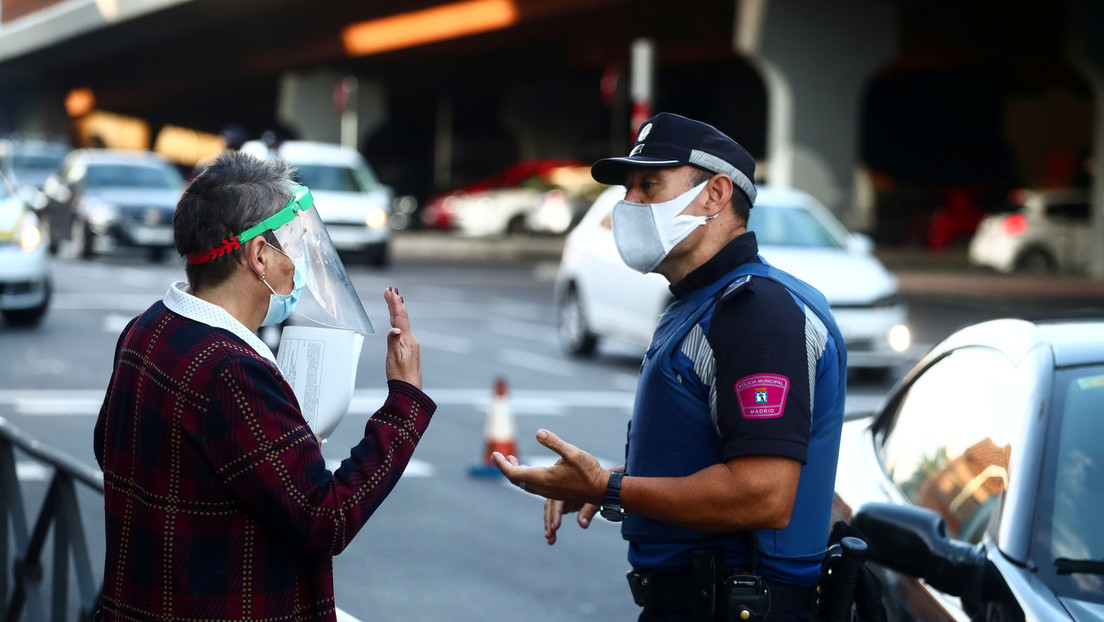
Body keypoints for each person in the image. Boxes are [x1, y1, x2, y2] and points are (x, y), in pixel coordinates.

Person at [493, 112, 847, 621]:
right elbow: (705, 459)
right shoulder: (703, 301)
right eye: (628, 188)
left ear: (715, 194)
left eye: (650, 185)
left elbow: (762, 496)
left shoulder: (756, 313)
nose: (629, 204)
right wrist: (603, 482)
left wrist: (608, 488)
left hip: (739, 605)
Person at [93, 150, 436, 621]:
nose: (299, 262)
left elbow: (114, 449)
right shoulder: (231, 371)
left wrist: (278, 449)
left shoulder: (146, 328)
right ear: (258, 255)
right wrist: (405, 402)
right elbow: (327, 518)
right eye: (294, 245)